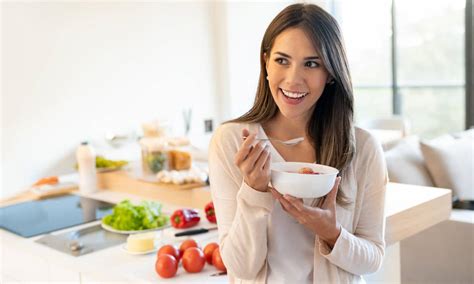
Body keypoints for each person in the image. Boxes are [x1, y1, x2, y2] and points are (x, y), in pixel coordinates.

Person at [208, 3, 388, 283]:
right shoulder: (233, 141)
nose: (293, 79)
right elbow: (240, 268)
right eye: (282, 60)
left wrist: (332, 233)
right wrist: (254, 192)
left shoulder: (362, 148)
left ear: (330, 73)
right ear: (265, 62)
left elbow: (373, 257)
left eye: (311, 63)